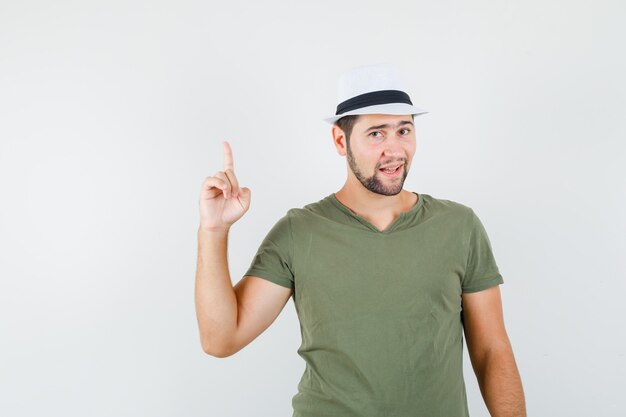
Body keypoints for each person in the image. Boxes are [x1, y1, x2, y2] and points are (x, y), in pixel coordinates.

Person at [195, 63, 526, 416]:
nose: (395, 149)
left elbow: (492, 350)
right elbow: (221, 339)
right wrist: (214, 231)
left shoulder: (459, 226)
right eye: (377, 134)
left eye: (404, 130)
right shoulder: (300, 231)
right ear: (341, 140)